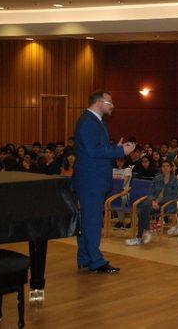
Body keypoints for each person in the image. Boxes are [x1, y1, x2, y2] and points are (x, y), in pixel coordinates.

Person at [73, 90, 135, 273]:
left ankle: (85, 258)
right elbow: (92, 151)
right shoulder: (87, 122)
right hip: (90, 181)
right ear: (99, 102)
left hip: (94, 179)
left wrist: (114, 148)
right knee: (92, 221)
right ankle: (95, 261)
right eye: (110, 102)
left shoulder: (96, 122)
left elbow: (97, 149)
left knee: (88, 220)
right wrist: (120, 152)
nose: (113, 105)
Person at [128, 160, 178, 245]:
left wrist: (158, 201)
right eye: (163, 166)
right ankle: (144, 233)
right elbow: (150, 192)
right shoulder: (157, 178)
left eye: (167, 166)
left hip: (167, 205)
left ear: (171, 168)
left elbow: (174, 196)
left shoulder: (175, 180)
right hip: (154, 203)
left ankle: (140, 237)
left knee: (143, 208)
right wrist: (153, 201)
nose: (165, 168)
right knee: (143, 208)